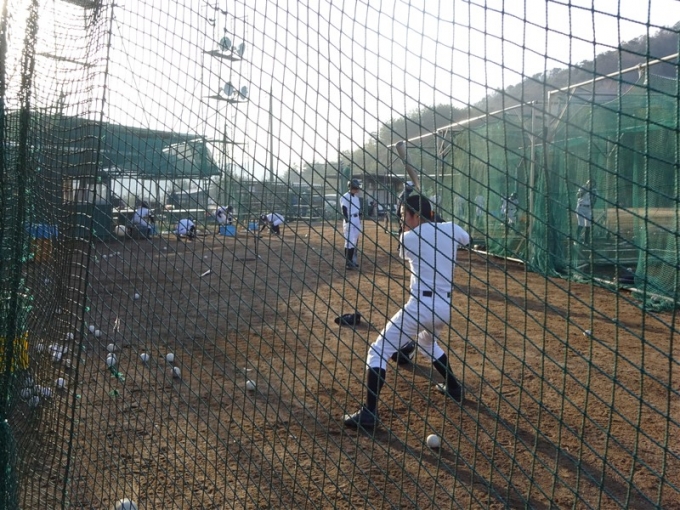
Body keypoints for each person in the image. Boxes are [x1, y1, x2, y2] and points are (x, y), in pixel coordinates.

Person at [343, 194, 471, 429]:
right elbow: (466, 239)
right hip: (444, 308)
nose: (402, 221)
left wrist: (428, 225)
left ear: (416, 215)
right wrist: (437, 224)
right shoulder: (452, 229)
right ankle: (454, 387)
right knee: (427, 345)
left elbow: (408, 245)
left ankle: (369, 413)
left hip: (420, 307)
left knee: (378, 351)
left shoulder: (408, 238)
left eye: (404, 215)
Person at [341, 179, 363, 269]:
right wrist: (347, 222)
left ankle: (352, 261)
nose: (358, 188)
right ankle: (348, 262)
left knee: (354, 241)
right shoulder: (345, 196)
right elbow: (344, 209)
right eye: (356, 187)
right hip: (349, 219)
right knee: (349, 242)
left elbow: (358, 210)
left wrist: (359, 219)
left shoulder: (356, 198)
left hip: (356, 219)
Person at [576, 179, 597, 243]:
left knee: (588, 225)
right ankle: (576, 240)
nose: (591, 184)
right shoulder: (583, 188)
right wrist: (584, 191)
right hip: (581, 207)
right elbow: (578, 195)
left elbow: (594, 200)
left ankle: (586, 242)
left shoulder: (594, 190)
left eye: (592, 183)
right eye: (589, 183)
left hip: (588, 209)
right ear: (587, 183)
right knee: (581, 224)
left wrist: (592, 209)